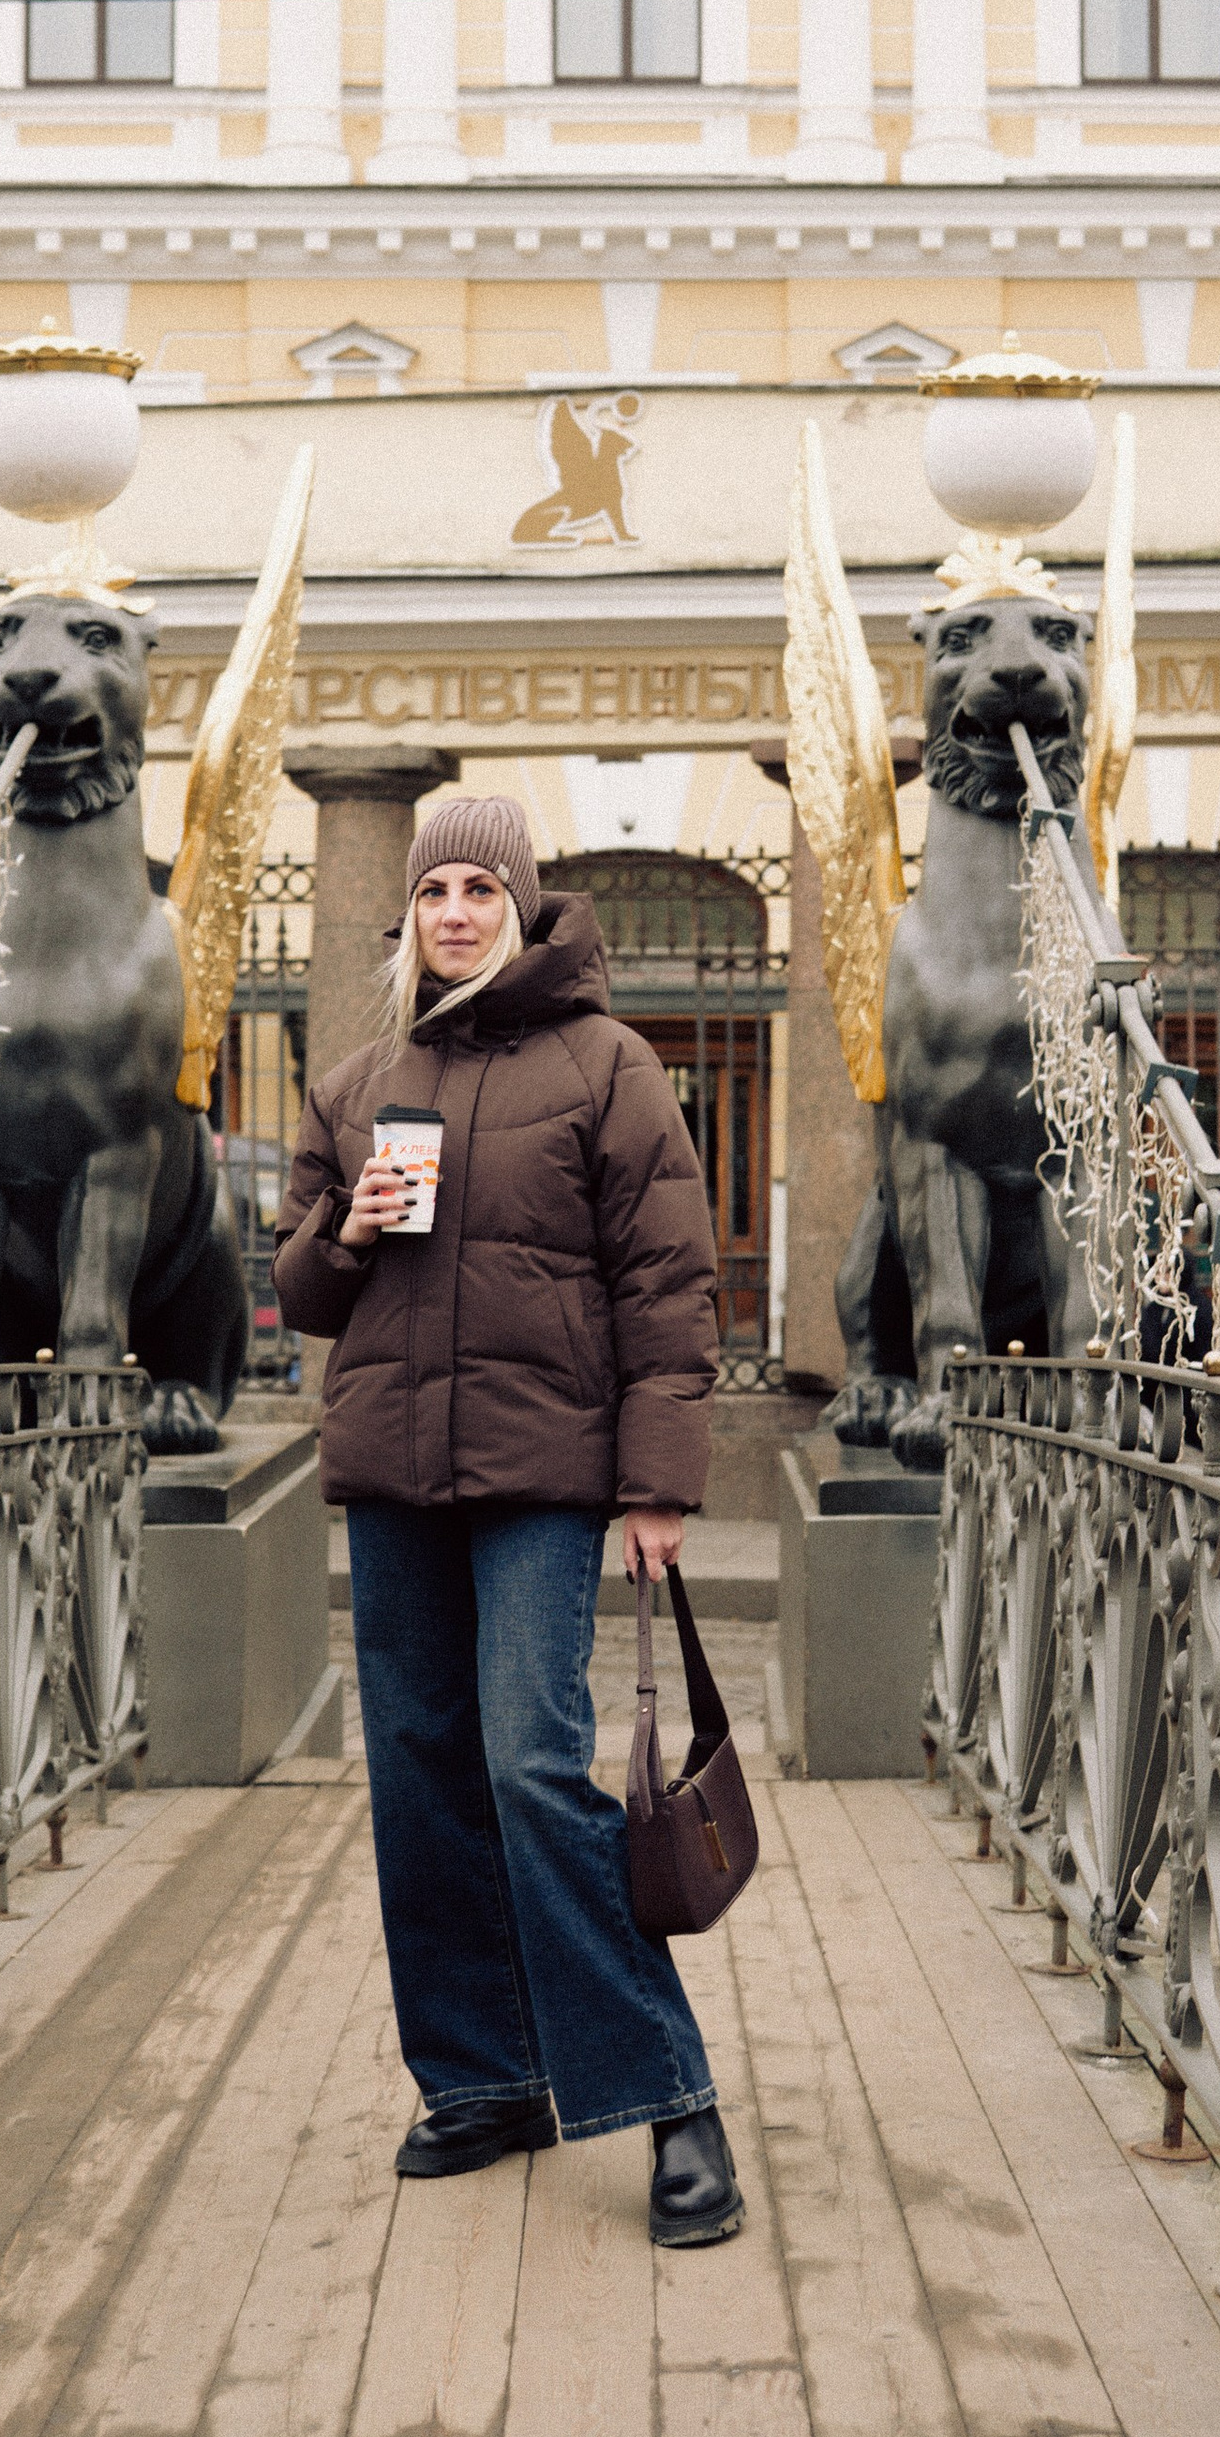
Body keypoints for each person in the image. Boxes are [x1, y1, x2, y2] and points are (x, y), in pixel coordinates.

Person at [273, 793, 742, 2247]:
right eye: (436, 892)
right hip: (395, 1472)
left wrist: (657, 1481)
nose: (457, 913)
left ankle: (671, 2096)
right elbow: (299, 1295)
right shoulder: (358, 1084)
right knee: (419, 1775)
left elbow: (668, 1282)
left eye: (482, 888)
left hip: (544, 1473)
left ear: (524, 907)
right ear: (409, 916)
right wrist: (347, 1230)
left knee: (533, 1766)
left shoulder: (608, 1067)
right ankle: (484, 2082)